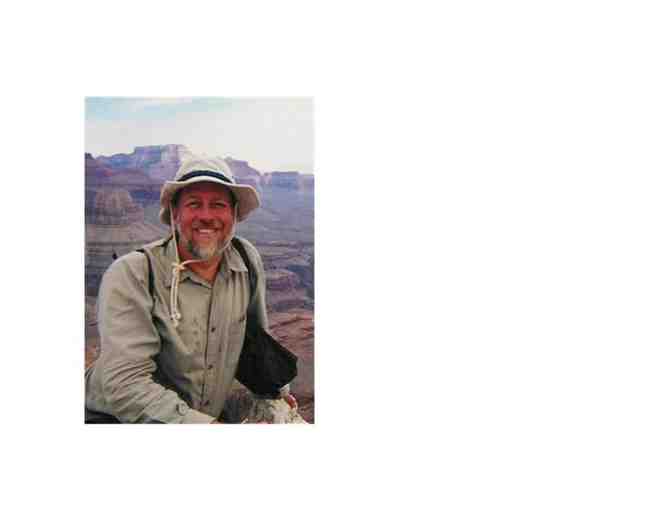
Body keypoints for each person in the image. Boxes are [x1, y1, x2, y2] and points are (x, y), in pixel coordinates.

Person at [85, 158, 298, 423]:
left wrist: (276, 391)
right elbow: (125, 385)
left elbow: (256, 338)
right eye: (194, 204)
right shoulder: (134, 273)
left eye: (218, 205)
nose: (206, 216)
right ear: (175, 213)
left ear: (234, 214)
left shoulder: (246, 260)